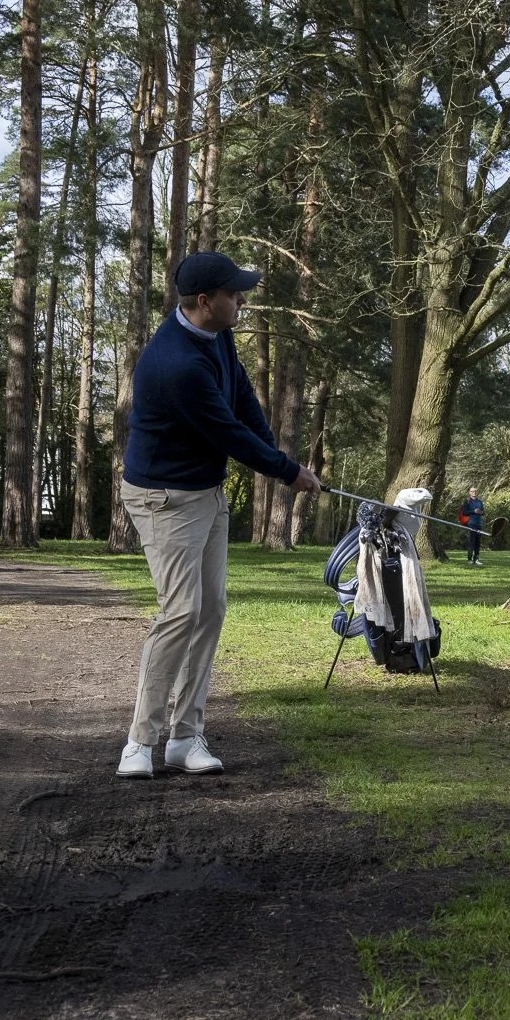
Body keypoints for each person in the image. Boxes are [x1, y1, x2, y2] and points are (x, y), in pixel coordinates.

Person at [117, 252, 321, 779]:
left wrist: (273, 449)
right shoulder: (175, 365)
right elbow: (226, 434)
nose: (242, 300)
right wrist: (288, 471)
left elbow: (243, 399)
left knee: (211, 611)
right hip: (162, 498)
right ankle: (140, 741)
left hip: (203, 493)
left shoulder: (216, 334)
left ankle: (185, 736)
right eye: (234, 294)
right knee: (181, 611)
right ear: (204, 301)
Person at [460, 487, 486, 566]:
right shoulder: (467, 501)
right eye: (472, 491)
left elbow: (483, 512)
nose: (474, 493)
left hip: (479, 523)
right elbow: (464, 512)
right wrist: (474, 511)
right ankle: (469, 559)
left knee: (478, 542)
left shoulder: (480, 502)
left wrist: (481, 512)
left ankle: (476, 559)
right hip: (471, 523)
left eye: (475, 491)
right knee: (472, 542)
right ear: (470, 493)